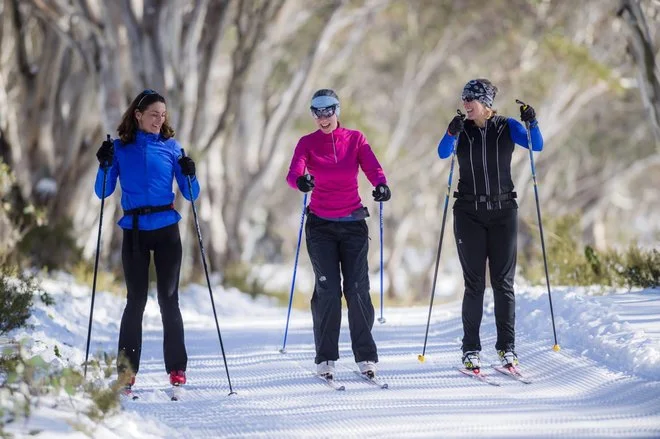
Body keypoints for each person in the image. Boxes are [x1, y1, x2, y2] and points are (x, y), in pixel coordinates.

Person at [94, 89, 199, 390]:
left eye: (163, 115)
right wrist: (103, 164)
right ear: (138, 115)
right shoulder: (120, 150)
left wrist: (191, 173)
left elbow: (191, 193)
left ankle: (177, 369)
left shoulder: (171, 147)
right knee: (135, 301)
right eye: (154, 114)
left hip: (167, 228)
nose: (159, 120)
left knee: (169, 300)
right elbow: (102, 192)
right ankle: (126, 372)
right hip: (135, 231)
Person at [436, 79, 543, 371]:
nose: (466, 103)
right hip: (468, 212)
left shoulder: (507, 126)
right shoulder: (461, 128)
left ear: (486, 103)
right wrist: (449, 132)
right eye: (464, 98)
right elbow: (443, 153)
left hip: (503, 211)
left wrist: (532, 123)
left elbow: (537, 145)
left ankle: (506, 348)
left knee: (503, 284)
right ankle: (470, 349)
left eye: (472, 98)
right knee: (474, 285)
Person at [286, 89, 391, 379]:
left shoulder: (355, 139)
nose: (323, 117)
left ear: (337, 110)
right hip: (321, 226)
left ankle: (366, 357)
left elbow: (372, 167)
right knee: (328, 291)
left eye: (328, 111)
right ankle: (326, 358)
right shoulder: (307, 143)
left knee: (356, 289)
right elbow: (293, 174)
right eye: (316, 112)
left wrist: (381, 184)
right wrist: (301, 182)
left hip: (353, 224)